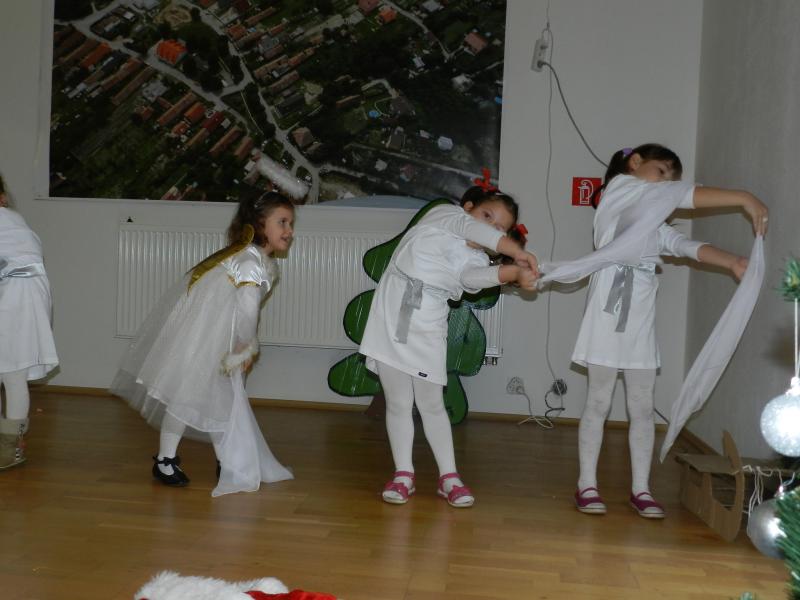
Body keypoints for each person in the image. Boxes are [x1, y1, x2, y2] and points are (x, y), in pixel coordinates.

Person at [563, 144, 768, 519]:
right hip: (606, 312)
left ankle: (641, 489)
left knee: (642, 405)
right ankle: (586, 484)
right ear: (635, 163)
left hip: (640, 318)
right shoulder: (620, 189)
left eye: (671, 180)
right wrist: (743, 197)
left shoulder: (651, 223)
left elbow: (682, 244)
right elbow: (668, 197)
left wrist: (732, 262)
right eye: (661, 172)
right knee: (599, 400)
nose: (665, 184)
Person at [360, 185, 539, 507]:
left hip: (428, 325)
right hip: (391, 315)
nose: (490, 228)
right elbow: (469, 228)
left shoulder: (474, 257)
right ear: (468, 207)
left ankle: (449, 477)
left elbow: (473, 279)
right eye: (487, 216)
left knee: (431, 403)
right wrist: (517, 252)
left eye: (499, 228)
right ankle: (403, 474)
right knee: (398, 402)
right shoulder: (444, 216)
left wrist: (514, 271)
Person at [111, 190, 295, 497]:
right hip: (210, 339)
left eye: (290, 223)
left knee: (219, 398)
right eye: (282, 222)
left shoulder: (251, 257)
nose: (289, 230)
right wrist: (245, 345)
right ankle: (166, 460)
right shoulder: (250, 261)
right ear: (260, 223)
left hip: (215, 335)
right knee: (191, 396)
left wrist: (242, 342)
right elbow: (248, 309)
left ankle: (223, 460)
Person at [0, 175, 59, 469]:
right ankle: (9, 442)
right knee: (10, 371)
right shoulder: (13, 219)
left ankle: (10, 446)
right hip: (20, 293)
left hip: (19, 296)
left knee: (12, 373)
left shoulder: (7, 219)